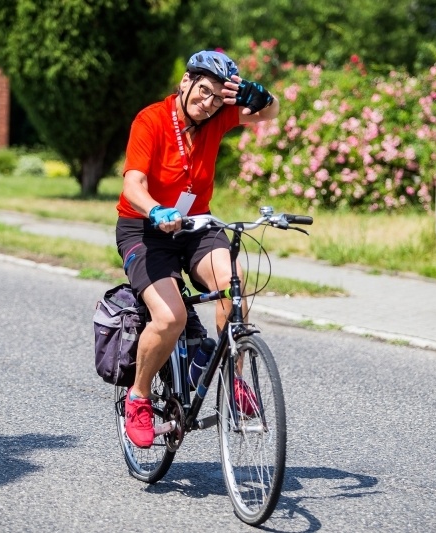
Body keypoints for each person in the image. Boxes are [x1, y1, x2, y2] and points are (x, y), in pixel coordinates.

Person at [115, 50, 279, 448]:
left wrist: (261, 96)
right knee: (170, 317)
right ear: (186, 81)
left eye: (215, 97)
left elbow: (271, 114)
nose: (207, 104)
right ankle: (138, 396)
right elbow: (132, 185)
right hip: (144, 229)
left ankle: (232, 379)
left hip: (196, 225)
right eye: (203, 91)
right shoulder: (151, 120)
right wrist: (155, 209)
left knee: (233, 288)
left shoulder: (217, 117)